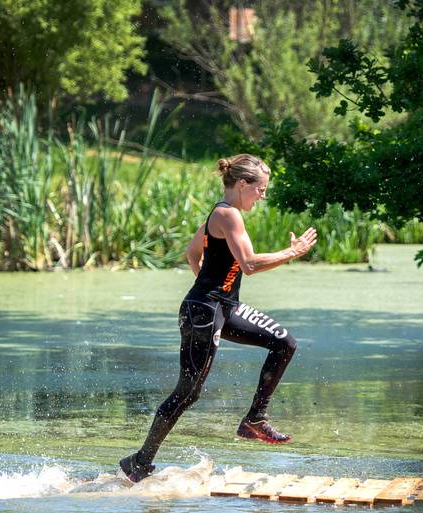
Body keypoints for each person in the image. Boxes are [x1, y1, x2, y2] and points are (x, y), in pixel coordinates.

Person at [119, 154, 317, 482]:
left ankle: (255, 419)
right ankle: (139, 462)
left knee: (284, 343)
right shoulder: (228, 215)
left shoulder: (221, 213)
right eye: (260, 189)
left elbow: (192, 252)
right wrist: (292, 253)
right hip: (204, 312)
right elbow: (250, 264)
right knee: (188, 391)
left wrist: (213, 293)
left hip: (220, 307)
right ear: (242, 185)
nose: (262, 196)